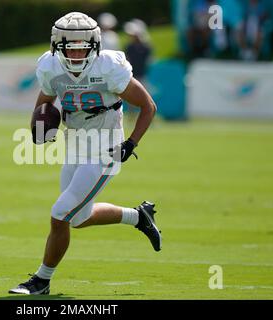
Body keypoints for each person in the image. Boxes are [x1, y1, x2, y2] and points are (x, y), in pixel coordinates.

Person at [9, 12, 161, 295]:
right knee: (78, 218)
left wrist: (131, 143)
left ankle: (41, 280)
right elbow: (44, 101)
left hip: (106, 146)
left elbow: (148, 105)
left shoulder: (109, 67)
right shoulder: (50, 67)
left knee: (60, 214)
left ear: (95, 45)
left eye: (82, 45)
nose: (77, 51)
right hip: (76, 143)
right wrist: (40, 124)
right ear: (58, 46)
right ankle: (138, 216)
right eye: (70, 46)